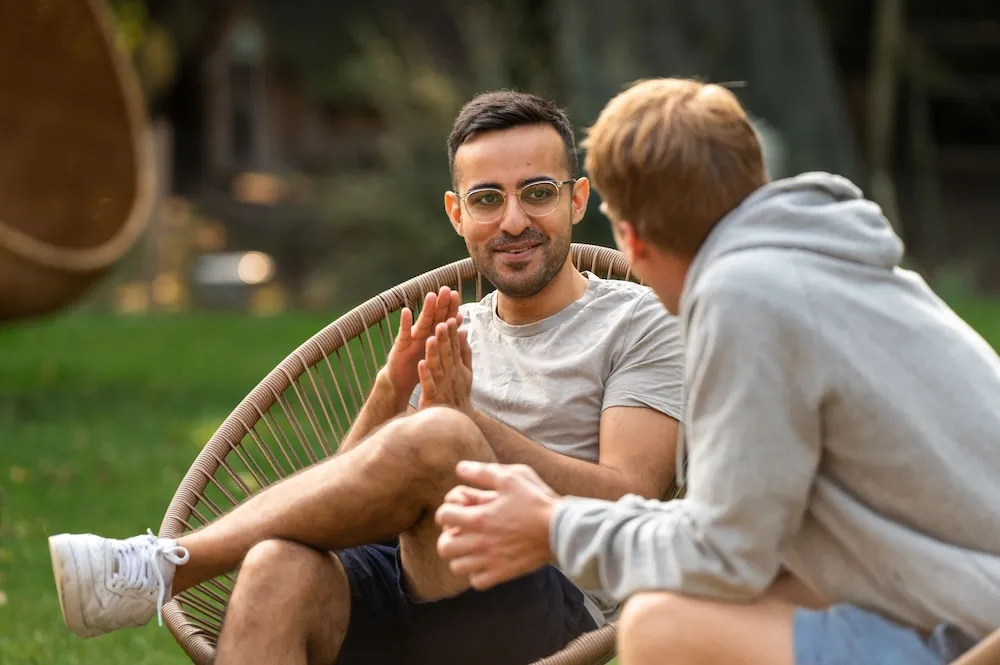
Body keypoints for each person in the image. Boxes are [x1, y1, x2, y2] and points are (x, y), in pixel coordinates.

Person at [47, 90, 686, 665]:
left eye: (537, 192)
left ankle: (168, 565)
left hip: (549, 598)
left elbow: (633, 501)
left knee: (441, 435)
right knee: (276, 565)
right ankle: (163, 567)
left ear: (576, 199)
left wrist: (470, 426)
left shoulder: (638, 320)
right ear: (457, 214)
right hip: (415, 581)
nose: (513, 220)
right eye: (487, 198)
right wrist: (389, 390)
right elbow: (350, 504)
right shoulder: (451, 328)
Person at [433, 77, 1000, 665]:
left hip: (974, 628)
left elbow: (724, 553)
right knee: (767, 589)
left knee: (660, 625)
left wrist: (553, 525)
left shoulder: (744, 295)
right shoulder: (827, 261)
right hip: (955, 595)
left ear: (631, 237)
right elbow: (748, 539)